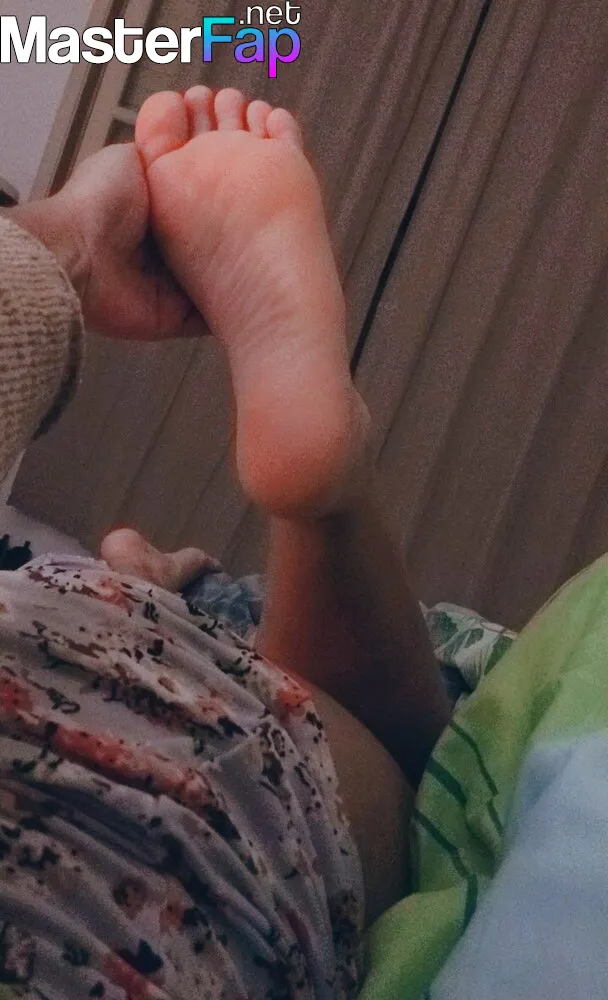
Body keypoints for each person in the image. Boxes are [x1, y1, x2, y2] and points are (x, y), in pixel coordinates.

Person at [0, 86, 450, 998]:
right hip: (141, 799)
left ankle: (149, 597)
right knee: (395, 782)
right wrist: (66, 243)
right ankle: (322, 498)